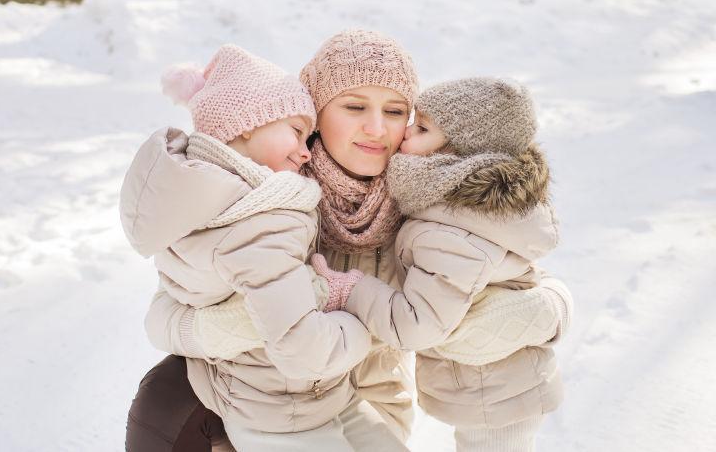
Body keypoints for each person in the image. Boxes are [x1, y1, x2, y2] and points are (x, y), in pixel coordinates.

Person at [123, 30, 573, 450]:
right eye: (354, 107)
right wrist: (244, 324)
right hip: (267, 403)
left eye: (395, 112)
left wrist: (540, 311)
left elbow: (525, 276)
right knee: (163, 402)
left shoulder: (426, 200)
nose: (377, 129)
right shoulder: (272, 191)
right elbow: (164, 313)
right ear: (316, 114)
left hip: (370, 405)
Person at [120, 43, 397, 451]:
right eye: (297, 132)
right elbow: (300, 345)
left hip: (295, 397)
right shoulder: (263, 213)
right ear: (247, 125)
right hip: (279, 408)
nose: (305, 151)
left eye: (394, 111)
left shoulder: (204, 193)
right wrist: (362, 326)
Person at [311, 77, 573, 451]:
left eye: (420, 129)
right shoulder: (466, 212)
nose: (402, 136)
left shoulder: (449, 228)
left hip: (495, 391)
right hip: (493, 384)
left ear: (455, 152)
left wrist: (352, 289)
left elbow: (418, 324)